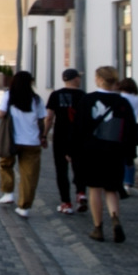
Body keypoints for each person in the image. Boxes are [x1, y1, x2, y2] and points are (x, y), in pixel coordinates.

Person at [78, 66, 135, 243]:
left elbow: (79, 127)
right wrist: (129, 154)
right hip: (115, 152)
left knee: (95, 189)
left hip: (93, 151)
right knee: (111, 189)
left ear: (99, 79)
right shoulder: (123, 103)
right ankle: (115, 218)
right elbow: (130, 130)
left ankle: (98, 227)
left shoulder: (88, 100)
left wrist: (74, 151)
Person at [0, 71, 45, 217]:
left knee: (5, 165)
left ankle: (8, 193)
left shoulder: (9, 96)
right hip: (32, 141)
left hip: (11, 140)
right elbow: (41, 119)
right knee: (29, 175)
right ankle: (24, 206)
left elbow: (0, 113)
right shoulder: (36, 100)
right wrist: (42, 136)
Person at [44, 68, 85, 214]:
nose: (80, 80)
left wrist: (44, 135)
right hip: (79, 136)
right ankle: (81, 193)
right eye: (78, 77)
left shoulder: (55, 95)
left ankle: (66, 203)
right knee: (79, 166)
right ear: (74, 79)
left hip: (60, 136)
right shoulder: (83, 96)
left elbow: (49, 117)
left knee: (61, 170)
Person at [119, 77, 138, 195]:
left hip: (121, 127)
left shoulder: (120, 98)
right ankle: (128, 182)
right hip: (133, 128)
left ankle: (119, 180)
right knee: (130, 157)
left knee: (119, 155)